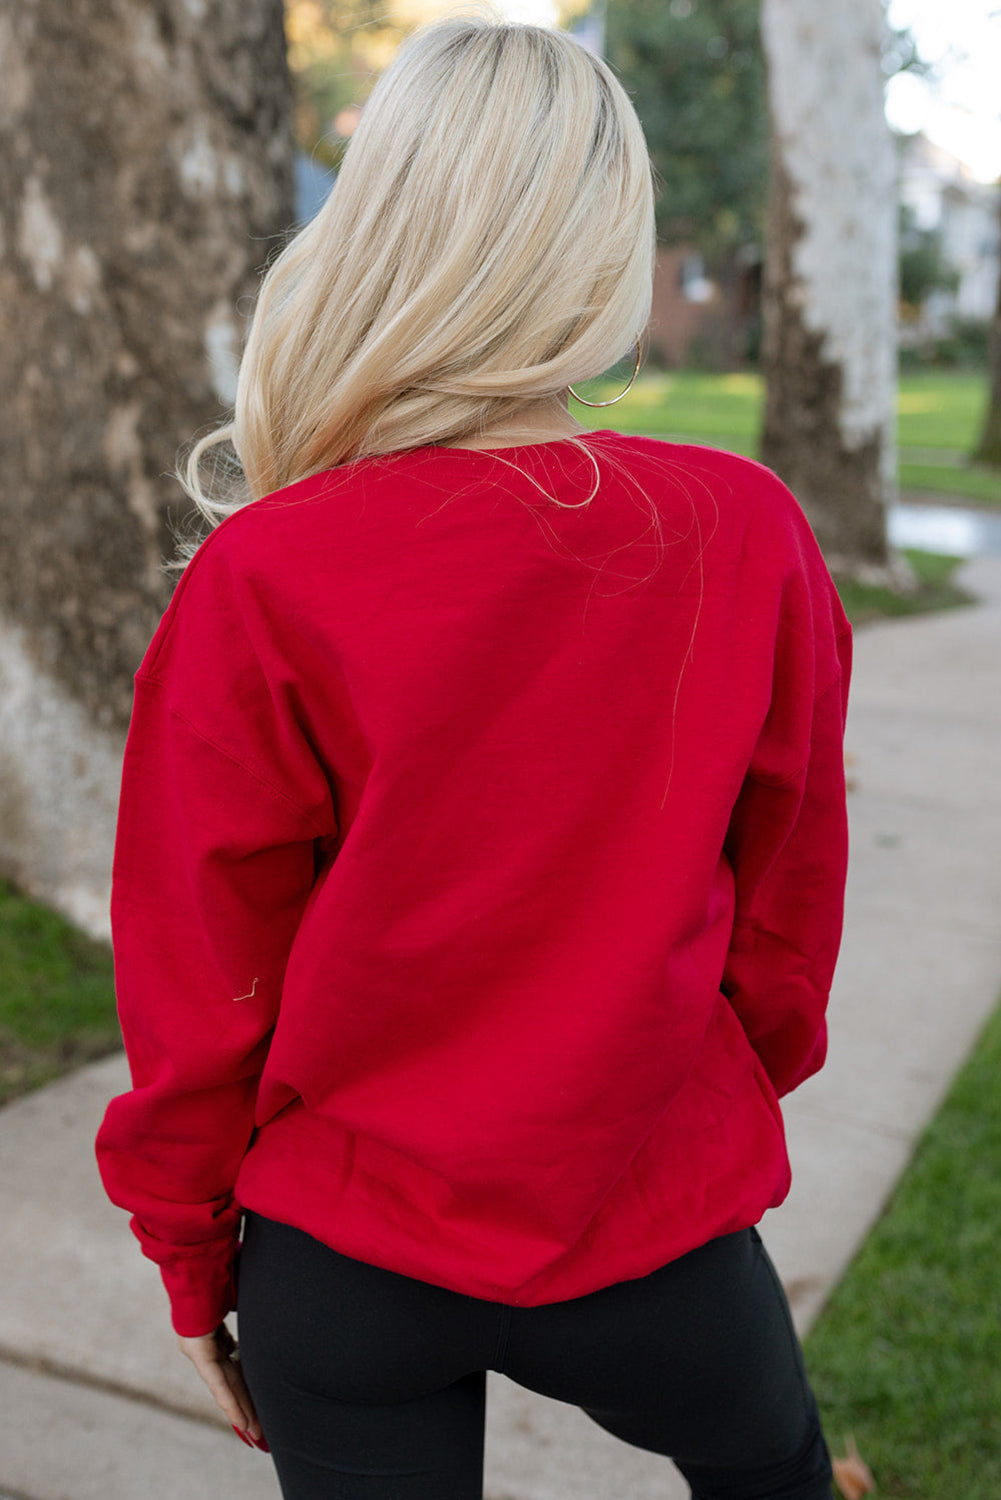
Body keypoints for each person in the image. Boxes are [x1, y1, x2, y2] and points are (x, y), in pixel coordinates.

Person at [95, 16, 852, 1500]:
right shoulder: (740, 528)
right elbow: (786, 902)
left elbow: (199, 971)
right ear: (604, 243)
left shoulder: (268, 568)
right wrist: (700, 1086)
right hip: (654, 1227)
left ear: (380, 231)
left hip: (345, 1250)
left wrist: (191, 1252)